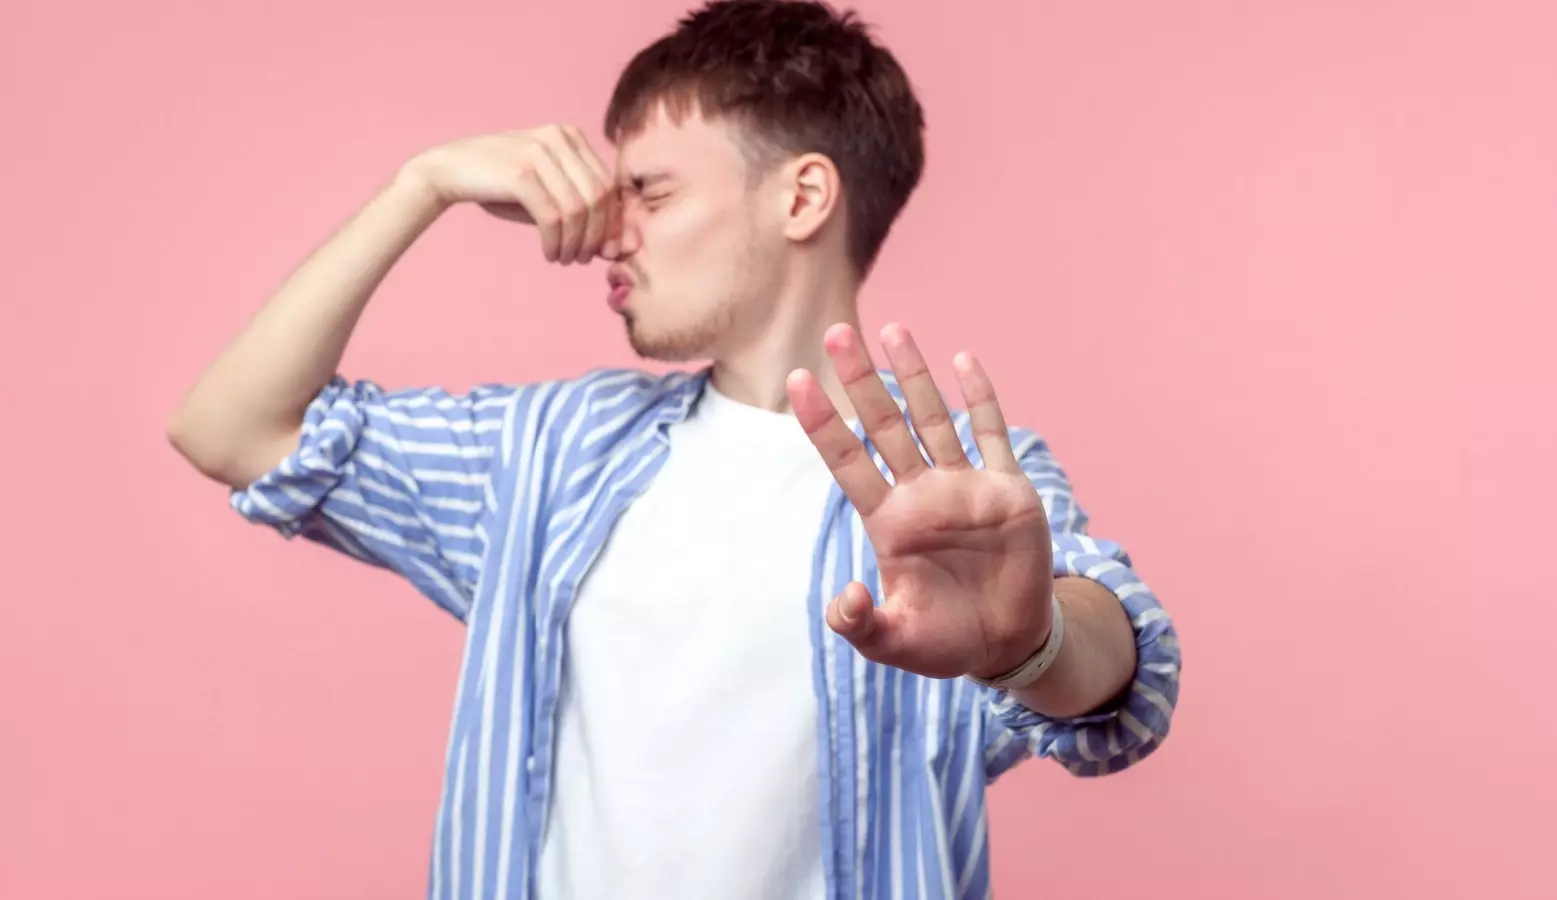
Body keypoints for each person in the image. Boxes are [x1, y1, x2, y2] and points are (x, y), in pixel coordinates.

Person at [167, 1, 1182, 897]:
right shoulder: (548, 453)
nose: (612, 235)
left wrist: (1028, 642)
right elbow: (233, 429)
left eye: (650, 194)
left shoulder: (954, 492)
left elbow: (1123, 677)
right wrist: (421, 184)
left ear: (801, 198)